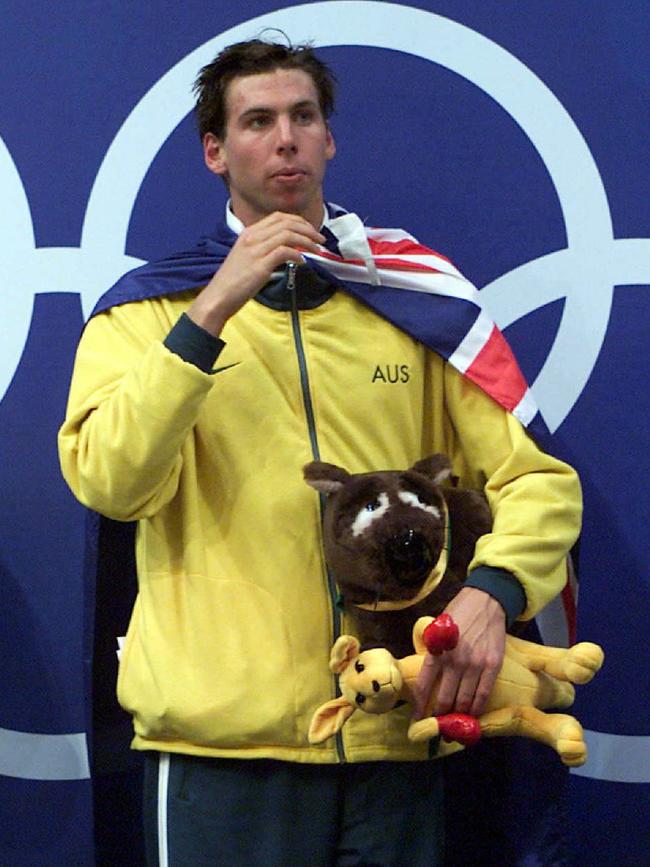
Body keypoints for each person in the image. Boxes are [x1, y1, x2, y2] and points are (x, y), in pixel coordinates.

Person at [58, 39, 582, 867]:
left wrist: (491, 592)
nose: (286, 138)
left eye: (303, 116)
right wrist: (210, 313)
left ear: (329, 139)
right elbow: (112, 484)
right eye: (257, 121)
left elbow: (538, 482)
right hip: (224, 752)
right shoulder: (145, 315)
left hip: (392, 739)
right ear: (215, 151)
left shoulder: (413, 299)